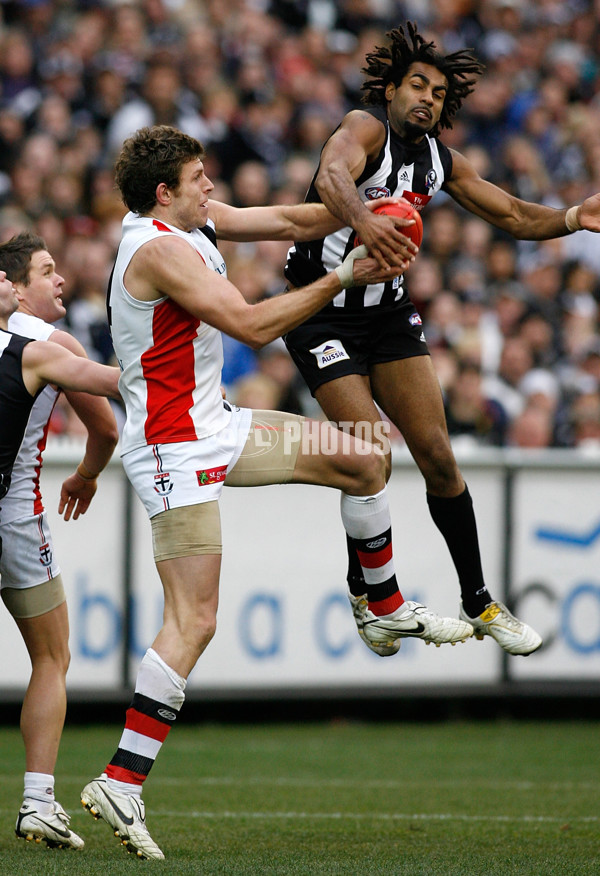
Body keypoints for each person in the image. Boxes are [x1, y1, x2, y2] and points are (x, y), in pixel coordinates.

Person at [79, 124, 473, 861]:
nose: (213, 188)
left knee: (363, 457)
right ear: (165, 193)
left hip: (218, 427)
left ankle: (381, 608)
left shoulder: (190, 221)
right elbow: (253, 326)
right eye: (200, 179)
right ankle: (121, 780)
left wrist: (368, 211)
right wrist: (341, 279)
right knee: (194, 620)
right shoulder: (162, 249)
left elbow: (295, 220)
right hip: (174, 450)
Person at [283, 22, 600, 658]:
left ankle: (478, 601)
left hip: (387, 313)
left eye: (438, 91)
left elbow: (511, 215)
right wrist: (367, 222)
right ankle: (376, 599)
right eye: (417, 84)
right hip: (320, 307)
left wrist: (573, 218)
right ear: (393, 88)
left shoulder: (438, 160)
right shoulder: (364, 126)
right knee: (368, 451)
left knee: (438, 456)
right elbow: (330, 178)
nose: (427, 97)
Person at [0, 232, 120, 850]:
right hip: (16, 518)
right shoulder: (50, 345)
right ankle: (38, 801)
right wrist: (87, 475)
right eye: (47, 272)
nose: (61, 281)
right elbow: (104, 426)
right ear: (13, 286)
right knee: (51, 655)